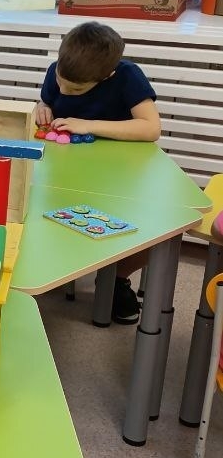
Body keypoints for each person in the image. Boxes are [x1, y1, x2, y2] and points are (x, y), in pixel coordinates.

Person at [36, 21, 162, 324]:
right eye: (61, 81)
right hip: (67, 170)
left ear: (107, 75)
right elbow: (49, 99)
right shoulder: (59, 70)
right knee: (41, 209)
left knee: (152, 232)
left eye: (76, 89)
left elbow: (151, 128)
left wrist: (88, 125)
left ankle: (117, 278)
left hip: (120, 175)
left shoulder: (127, 75)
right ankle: (60, 264)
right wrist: (42, 106)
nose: (64, 90)